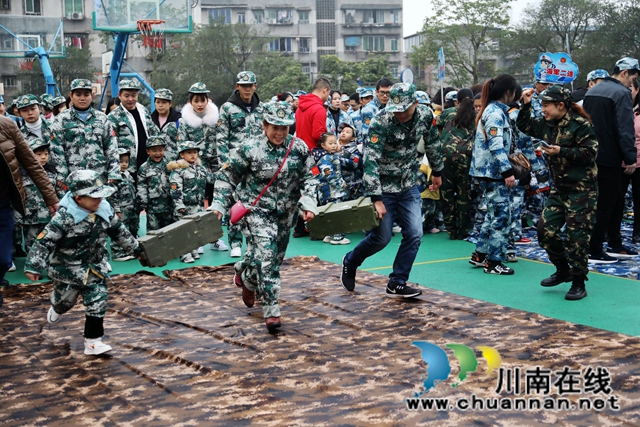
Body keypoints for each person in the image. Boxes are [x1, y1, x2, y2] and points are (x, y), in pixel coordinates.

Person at [210, 101, 317, 333]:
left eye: (284, 128)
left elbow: (310, 177)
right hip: (256, 212)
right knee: (267, 259)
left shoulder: (298, 148)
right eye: (274, 127)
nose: (279, 133)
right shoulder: (249, 148)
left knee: (273, 258)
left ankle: (247, 277)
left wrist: (308, 203)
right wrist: (218, 205)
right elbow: (226, 176)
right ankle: (271, 311)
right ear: (264, 125)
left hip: (285, 214)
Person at [340, 83, 443, 297]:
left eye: (406, 108)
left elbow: (432, 143)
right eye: (397, 109)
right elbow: (370, 160)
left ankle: (397, 281)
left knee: (415, 233)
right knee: (381, 238)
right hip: (383, 187)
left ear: (415, 103)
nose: (401, 114)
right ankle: (351, 261)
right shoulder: (381, 120)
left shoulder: (425, 115)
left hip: (408, 183)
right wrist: (376, 197)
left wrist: (437, 172)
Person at [24, 170, 139, 355]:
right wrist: (33, 265)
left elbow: (119, 232)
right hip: (67, 269)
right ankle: (56, 307)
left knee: (98, 300)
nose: (99, 200)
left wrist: (137, 250)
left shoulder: (104, 210)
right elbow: (44, 241)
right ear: (78, 198)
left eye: (101, 196)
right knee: (65, 303)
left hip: (94, 266)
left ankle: (93, 342)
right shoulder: (64, 217)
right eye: (94, 197)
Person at [517, 86, 598, 300]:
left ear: (560, 105)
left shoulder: (580, 125)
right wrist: (525, 105)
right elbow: (524, 125)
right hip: (559, 189)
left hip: (582, 190)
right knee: (545, 230)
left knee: (577, 237)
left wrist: (562, 151)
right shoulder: (546, 124)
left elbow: (590, 153)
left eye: (546, 105)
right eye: (541, 105)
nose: (542, 109)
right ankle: (563, 269)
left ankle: (579, 281)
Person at [583, 57, 640, 263]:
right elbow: (624, 129)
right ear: (625, 73)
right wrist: (630, 157)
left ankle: (614, 244)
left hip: (592, 154)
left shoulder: (593, 91)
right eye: (632, 77)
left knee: (608, 201)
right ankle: (595, 249)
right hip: (610, 157)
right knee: (607, 204)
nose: (632, 84)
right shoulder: (621, 93)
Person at [0, 115, 59, 306]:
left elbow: (31, 163)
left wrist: (50, 197)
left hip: (3, 204)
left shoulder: (7, 126)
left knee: (3, 259)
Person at [469, 74, 522, 275]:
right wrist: (507, 172)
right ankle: (494, 262)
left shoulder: (493, 110)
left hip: (488, 171)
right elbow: (496, 145)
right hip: (493, 173)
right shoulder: (495, 113)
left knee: (492, 214)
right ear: (509, 93)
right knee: (501, 216)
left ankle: (480, 254)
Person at [217, 71, 265, 257]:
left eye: (250, 85)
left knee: (256, 202)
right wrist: (224, 164)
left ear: (255, 86)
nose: (247, 89)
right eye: (243, 85)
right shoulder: (227, 108)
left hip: (256, 163)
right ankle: (235, 242)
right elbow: (221, 138)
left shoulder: (261, 109)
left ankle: (254, 241)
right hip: (235, 162)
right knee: (235, 203)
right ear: (237, 87)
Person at [50, 79, 120, 184]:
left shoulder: (102, 118)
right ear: (71, 95)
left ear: (91, 96)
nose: (82, 98)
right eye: (78, 94)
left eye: (86, 95)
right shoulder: (61, 119)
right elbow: (57, 149)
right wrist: (61, 175)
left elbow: (111, 147)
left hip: (98, 176)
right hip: (73, 177)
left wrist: (113, 172)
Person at [438, 88, 475, 240]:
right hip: (466, 157)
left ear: (456, 101)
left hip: (445, 156)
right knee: (464, 193)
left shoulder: (446, 113)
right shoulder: (477, 115)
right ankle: (463, 230)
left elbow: (438, 130)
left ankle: (450, 229)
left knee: (446, 192)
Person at [178, 82, 221, 213]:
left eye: (203, 100)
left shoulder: (216, 119)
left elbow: (222, 139)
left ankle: (217, 217)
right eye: (196, 101)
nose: (200, 104)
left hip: (215, 161)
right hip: (196, 162)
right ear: (191, 102)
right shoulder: (185, 122)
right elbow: (182, 144)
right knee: (197, 194)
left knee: (217, 189)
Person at [168, 140, 213, 263]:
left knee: (194, 230)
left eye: (195, 152)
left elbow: (211, 180)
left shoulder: (201, 169)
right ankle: (184, 253)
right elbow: (175, 189)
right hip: (184, 206)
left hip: (197, 205)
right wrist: (179, 204)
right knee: (182, 231)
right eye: (189, 152)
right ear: (182, 155)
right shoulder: (178, 170)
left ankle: (193, 250)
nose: (193, 155)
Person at [17, 138, 64, 252]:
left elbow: (60, 195)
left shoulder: (52, 173)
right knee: (32, 247)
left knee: (51, 244)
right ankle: (33, 268)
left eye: (46, 154)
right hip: (31, 218)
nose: (43, 157)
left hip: (50, 216)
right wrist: (18, 218)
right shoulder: (21, 175)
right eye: (38, 154)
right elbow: (18, 197)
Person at [108, 79, 160, 174]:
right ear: (119, 95)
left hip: (148, 165)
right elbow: (111, 144)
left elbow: (153, 133)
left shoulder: (143, 111)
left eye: (133, 95)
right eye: (126, 96)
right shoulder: (113, 117)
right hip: (128, 167)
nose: (130, 99)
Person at [312, 132, 351, 245]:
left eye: (335, 143)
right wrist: (340, 184)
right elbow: (328, 174)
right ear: (323, 145)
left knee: (329, 213)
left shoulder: (332, 156)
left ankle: (329, 234)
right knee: (337, 213)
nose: (334, 145)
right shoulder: (325, 158)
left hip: (330, 191)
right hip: (331, 191)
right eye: (330, 143)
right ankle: (338, 236)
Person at [137, 135, 173, 231]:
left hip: (168, 205)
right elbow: (141, 185)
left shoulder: (170, 164)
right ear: (148, 151)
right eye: (154, 150)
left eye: (160, 150)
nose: (158, 153)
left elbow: (176, 181)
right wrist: (143, 201)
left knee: (169, 231)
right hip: (152, 207)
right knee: (153, 233)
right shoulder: (144, 167)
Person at [109, 148, 139, 261]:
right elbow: (113, 195)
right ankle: (117, 252)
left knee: (132, 228)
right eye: (121, 161)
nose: (124, 164)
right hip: (121, 208)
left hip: (131, 207)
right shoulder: (114, 178)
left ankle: (130, 250)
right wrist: (116, 209)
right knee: (120, 229)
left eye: (126, 162)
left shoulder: (128, 175)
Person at [296, 77, 332, 151]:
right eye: (329, 93)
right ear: (325, 90)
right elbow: (318, 134)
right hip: (313, 153)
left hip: (300, 150)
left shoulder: (300, 107)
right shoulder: (319, 109)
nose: (328, 96)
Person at [150, 88, 180, 161]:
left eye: (164, 102)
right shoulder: (149, 120)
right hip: (155, 164)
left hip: (173, 163)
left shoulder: (179, 120)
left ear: (170, 104)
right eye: (158, 102)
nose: (160, 105)